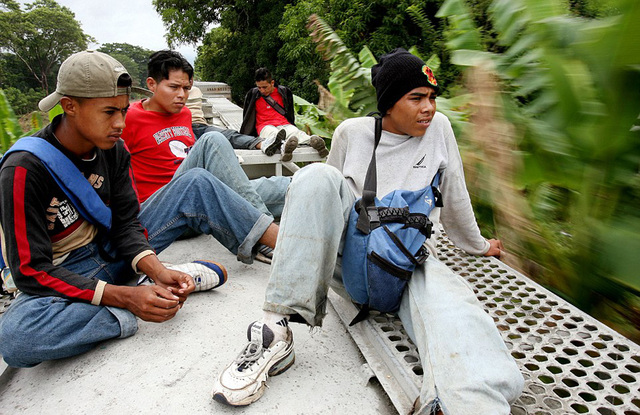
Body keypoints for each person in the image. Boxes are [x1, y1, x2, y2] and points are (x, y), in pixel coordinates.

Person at [212, 49, 524, 413]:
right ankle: (275, 330)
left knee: (457, 313)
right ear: (389, 103)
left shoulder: (439, 131)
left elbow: (455, 200)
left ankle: (471, 402)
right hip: (352, 259)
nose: (429, 108)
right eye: (417, 98)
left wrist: (480, 245)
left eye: (433, 98)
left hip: (407, 261)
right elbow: (326, 199)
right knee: (316, 176)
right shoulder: (352, 134)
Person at [0, 51, 275, 367]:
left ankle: (160, 280)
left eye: (122, 110)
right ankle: (136, 295)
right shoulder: (24, 169)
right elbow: (31, 270)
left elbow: (126, 224)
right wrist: (125, 299)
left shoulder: (113, 149)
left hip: (115, 249)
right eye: (108, 112)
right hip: (68, 272)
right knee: (17, 340)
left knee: (195, 182)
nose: (120, 122)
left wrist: (156, 270)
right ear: (70, 106)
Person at [122, 51, 289, 220]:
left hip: (200, 195)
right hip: (163, 208)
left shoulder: (184, 114)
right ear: (151, 84)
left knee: (284, 186)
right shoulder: (129, 118)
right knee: (213, 139)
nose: (182, 95)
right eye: (174, 87)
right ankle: (264, 229)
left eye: (186, 88)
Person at [240, 67, 328, 162]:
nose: (262, 90)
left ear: (272, 83)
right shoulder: (253, 94)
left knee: (296, 132)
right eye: (259, 87)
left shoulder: (284, 92)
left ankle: (314, 142)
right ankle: (285, 148)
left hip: (284, 123)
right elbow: (247, 115)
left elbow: (289, 111)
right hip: (264, 126)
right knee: (274, 135)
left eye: (264, 87)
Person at [187, 85, 264, 150]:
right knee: (192, 145)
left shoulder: (195, 90)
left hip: (202, 126)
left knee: (228, 135)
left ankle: (262, 144)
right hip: (185, 128)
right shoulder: (177, 94)